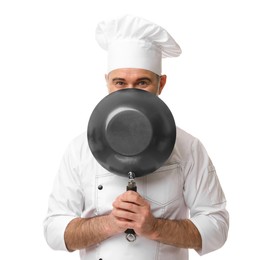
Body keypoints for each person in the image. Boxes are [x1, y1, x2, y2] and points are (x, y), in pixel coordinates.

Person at [43, 15, 229, 260]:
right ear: (107, 83)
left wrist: (154, 227)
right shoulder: (79, 149)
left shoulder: (188, 147)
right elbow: (54, 230)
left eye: (142, 83)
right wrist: (110, 223)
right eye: (120, 82)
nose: (130, 93)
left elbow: (217, 226)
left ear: (161, 84)